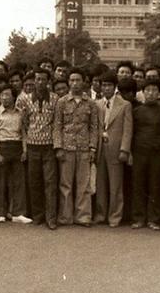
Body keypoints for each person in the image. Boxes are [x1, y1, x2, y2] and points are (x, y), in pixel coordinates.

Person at [53, 68, 99, 227]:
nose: (74, 83)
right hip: (66, 147)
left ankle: (83, 216)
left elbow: (94, 127)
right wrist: (58, 147)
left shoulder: (91, 103)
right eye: (71, 80)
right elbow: (57, 125)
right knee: (65, 184)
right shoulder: (62, 102)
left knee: (83, 184)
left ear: (83, 82)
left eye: (78, 80)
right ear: (68, 82)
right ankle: (65, 217)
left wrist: (93, 148)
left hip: (84, 147)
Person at [17, 67, 60, 230]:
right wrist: (25, 148)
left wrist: (57, 146)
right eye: (37, 79)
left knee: (50, 183)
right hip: (32, 146)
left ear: (49, 82)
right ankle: (38, 216)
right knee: (34, 182)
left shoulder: (55, 99)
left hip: (49, 147)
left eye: (43, 79)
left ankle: (51, 218)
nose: (40, 82)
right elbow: (23, 125)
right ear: (34, 81)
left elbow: (56, 124)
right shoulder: (24, 100)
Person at [130, 79, 160, 231]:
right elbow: (131, 134)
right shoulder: (136, 112)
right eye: (148, 90)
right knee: (138, 185)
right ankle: (138, 218)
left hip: (157, 154)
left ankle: (153, 219)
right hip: (139, 153)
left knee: (155, 185)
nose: (151, 93)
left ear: (159, 92)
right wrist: (129, 153)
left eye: (154, 90)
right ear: (143, 92)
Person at [94, 71, 133, 228]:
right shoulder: (96, 104)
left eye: (109, 85)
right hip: (100, 148)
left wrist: (125, 149)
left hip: (116, 149)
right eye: (104, 85)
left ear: (115, 87)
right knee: (101, 183)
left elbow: (128, 129)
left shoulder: (124, 105)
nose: (106, 88)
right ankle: (101, 214)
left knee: (115, 185)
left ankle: (115, 216)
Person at [0, 85, 29, 224]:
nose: (5, 98)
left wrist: (25, 150)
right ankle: (0, 212)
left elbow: (24, 133)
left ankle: (18, 213)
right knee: (1, 181)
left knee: (19, 182)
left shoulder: (20, 112)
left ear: (14, 97)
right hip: (3, 146)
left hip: (17, 147)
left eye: (7, 95)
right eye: (2, 95)